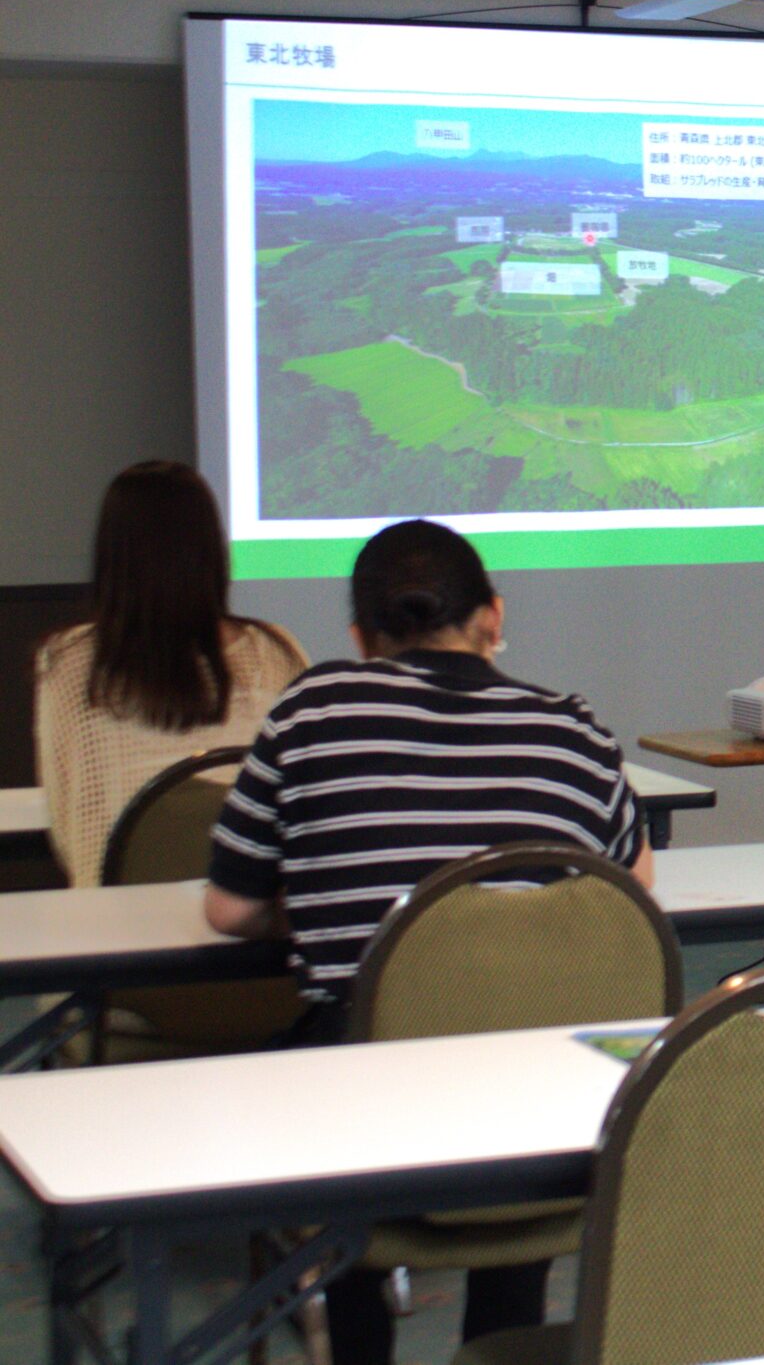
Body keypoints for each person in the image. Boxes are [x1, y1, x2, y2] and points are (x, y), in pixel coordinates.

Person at [204, 518, 650, 1365]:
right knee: (523, 1033)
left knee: (303, 1071)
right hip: (545, 1112)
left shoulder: (313, 708)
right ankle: (500, 1339)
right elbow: (629, 897)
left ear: (360, 637)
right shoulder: (575, 730)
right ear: (493, 615)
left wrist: (328, 899)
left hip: (367, 1119)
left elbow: (228, 909)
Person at [33, 462, 306, 888]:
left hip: (118, 932)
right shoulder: (274, 653)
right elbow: (301, 807)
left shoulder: (67, 664)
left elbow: (71, 828)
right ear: (211, 550)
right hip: (250, 930)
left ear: (111, 555)